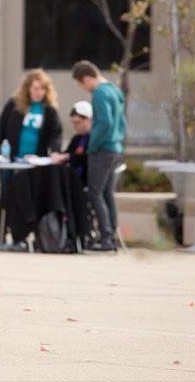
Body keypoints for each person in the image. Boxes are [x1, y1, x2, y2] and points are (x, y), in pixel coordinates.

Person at [71, 60, 126, 252]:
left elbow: (104, 123)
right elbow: (122, 122)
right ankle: (111, 237)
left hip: (102, 149)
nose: (83, 88)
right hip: (115, 148)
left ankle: (106, 239)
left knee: (94, 192)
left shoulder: (100, 93)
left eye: (81, 83)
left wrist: (91, 146)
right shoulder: (113, 90)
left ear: (86, 78)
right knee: (107, 194)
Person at [0, 68, 63, 160]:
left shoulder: (50, 110)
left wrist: (55, 152)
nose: (39, 92)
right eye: (35, 88)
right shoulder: (14, 105)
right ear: (28, 88)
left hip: (36, 160)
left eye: (42, 89)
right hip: (13, 159)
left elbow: (56, 135)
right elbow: (0, 130)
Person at [58, 100, 92, 184]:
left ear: (89, 119)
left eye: (78, 123)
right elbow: (67, 153)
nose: (75, 126)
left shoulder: (94, 139)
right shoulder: (77, 138)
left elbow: (87, 158)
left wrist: (68, 157)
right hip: (73, 180)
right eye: (73, 123)